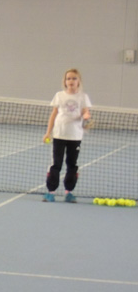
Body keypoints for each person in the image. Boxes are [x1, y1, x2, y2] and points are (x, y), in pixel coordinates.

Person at [43, 68, 92, 203]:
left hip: (75, 136)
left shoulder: (83, 97)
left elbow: (86, 112)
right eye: (68, 78)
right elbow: (53, 114)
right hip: (59, 134)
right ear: (65, 81)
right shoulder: (59, 95)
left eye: (74, 78)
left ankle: (69, 192)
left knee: (72, 164)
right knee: (56, 164)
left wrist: (86, 116)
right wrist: (48, 132)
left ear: (78, 81)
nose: (71, 81)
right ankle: (51, 192)